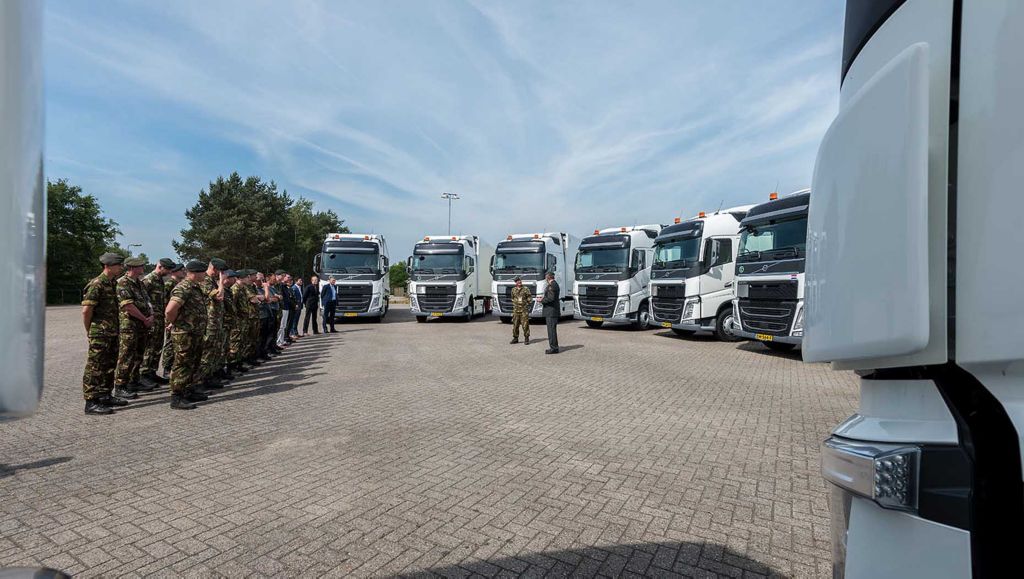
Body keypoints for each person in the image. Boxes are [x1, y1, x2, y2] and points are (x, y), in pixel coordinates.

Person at [80, 252, 126, 415]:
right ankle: (91, 401)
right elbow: (87, 311)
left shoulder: (113, 283)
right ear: (108, 266)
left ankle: (105, 395)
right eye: (118, 265)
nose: (121, 267)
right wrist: (90, 331)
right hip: (100, 333)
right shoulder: (97, 284)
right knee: (96, 366)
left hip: (112, 332)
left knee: (109, 365)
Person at [164, 259, 210, 410]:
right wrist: (177, 323)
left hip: (195, 332)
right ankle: (176, 397)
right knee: (182, 364)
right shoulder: (183, 287)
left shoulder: (195, 287)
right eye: (203, 272)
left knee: (193, 362)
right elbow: (170, 310)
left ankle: (188, 390)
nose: (205, 274)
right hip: (185, 333)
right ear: (195, 273)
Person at [112, 257, 154, 400]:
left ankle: (133, 381)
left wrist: (151, 315)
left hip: (142, 325)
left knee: (138, 355)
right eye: (140, 266)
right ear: (132, 268)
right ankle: (120, 386)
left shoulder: (139, 283)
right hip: (129, 326)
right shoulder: (123, 283)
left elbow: (147, 301)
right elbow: (128, 306)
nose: (143, 268)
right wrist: (144, 318)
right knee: (126, 356)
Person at [140, 257, 173, 387]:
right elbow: (142, 301)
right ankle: (144, 374)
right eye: (168, 269)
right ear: (160, 266)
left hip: (159, 320)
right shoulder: (148, 280)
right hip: (151, 320)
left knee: (157, 347)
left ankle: (152, 372)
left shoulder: (160, 280)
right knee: (149, 348)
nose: (169, 272)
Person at [199, 258, 228, 391]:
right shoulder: (205, 280)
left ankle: (209, 377)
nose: (221, 274)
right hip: (209, 322)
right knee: (207, 352)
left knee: (215, 351)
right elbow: (219, 296)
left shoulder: (211, 280)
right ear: (215, 269)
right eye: (220, 271)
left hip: (216, 321)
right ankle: (201, 381)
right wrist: (221, 282)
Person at [159, 263, 186, 379]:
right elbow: (166, 303)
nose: (183, 272)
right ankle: (166, 368)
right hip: (171, 317)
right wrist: (169, 320)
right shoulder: (170, 283)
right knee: (170, 343)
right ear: (175, 272)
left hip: (177, 317)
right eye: (181, 270)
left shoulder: (178, 283)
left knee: (175, 344)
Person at [539, 271, 560, 354]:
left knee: (551, 331)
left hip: (551, 311)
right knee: (552, 330)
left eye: (546, 277)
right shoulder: (553, 284)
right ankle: (554, 347)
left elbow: (551, 298)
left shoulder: (552, 285)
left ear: (548, 277)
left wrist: (541, 300)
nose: (545, 278)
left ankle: (554, 348)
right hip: (551, 311)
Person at [509, 276, 532, 345]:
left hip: (524, 310)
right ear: (515, 283)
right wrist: (515, 303)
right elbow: (512, 298)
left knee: (525, 325)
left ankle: (526, 338)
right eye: (517, 281)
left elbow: (529, 298)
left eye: (519, 281)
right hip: (516, 310)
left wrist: (526, 304)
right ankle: (515, 338)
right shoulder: (513, 289)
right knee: (515, 325)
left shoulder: (525, 289)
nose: (519, 282)